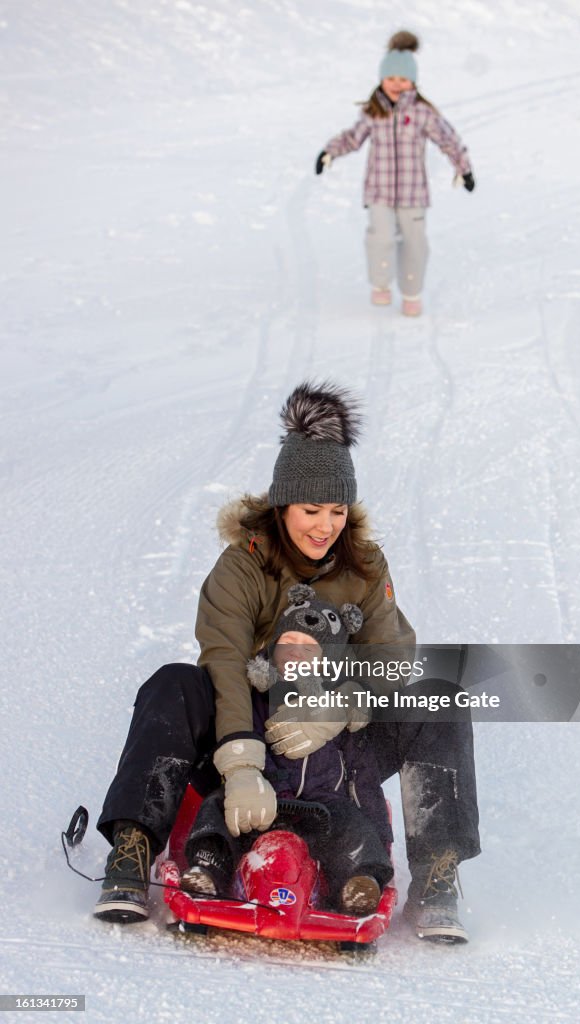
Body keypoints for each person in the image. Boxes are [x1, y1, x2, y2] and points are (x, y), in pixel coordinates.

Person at [94, 380, 480, 942]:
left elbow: (393, 660)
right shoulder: (242, 566)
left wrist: (341, 706)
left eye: (338, 509)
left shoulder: (365, 565)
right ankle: (132, 851)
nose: (325, 526)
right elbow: (224, 661)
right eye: (310, 509)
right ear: (281, 505)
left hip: (338, 748)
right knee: (173, 683)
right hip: (244, 730)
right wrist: (242, 761)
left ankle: (437, 875)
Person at [180, 587, 394, 916]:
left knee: (355, 828)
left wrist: (380, 839)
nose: (296, 652)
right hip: (259, 805)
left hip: (323, 813)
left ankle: (360, 884)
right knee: (218, 808)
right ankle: (206, 870)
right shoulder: (255, 699)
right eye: (288, 643)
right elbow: (230, 737)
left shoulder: (339, 718)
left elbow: (362, 780)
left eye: (309, 647)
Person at [315, 30, 475, 318]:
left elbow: (447, 139)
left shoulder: (423, 113)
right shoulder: (373, 112)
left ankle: (411, 292)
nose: (396, 85)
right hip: (379, 189)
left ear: (413, 82)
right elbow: (353, 138)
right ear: (381, 79)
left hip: (413, 193)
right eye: (391, 79)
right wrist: (329, 152)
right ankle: (380, 285)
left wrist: (463, 169)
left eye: (403, 79)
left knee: (415, 242)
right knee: (382, 237)